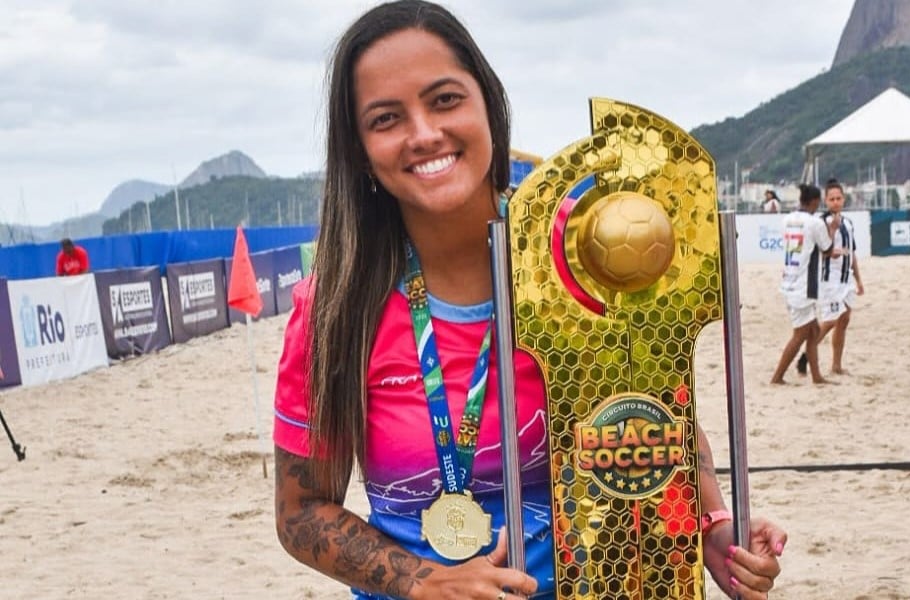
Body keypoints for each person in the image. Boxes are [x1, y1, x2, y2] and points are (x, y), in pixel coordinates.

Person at [272, 2, 787, 599]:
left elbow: (656, 414)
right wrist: (425, 581)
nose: (423, 134)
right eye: (386, 119)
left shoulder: (582, 254)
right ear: (360, 150)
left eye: (444, 100)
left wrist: (712, 528)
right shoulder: (338, 307)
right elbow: (301, 511)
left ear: (489, 104)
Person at [771, 183, 840, 385]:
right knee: (800, 334)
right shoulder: (815, 223)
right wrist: (833, 229)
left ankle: (817, 376)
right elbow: (827, 249)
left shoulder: (787, 219)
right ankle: (777, 376)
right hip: (804, 286)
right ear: (815, 201)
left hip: (789, 280)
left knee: (813, 332)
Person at [806, 180, 864, 376]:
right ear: (825, 200)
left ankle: (836, 365)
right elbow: (819, 251)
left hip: (846, 279)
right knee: (832, 319)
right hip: (829, 280)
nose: (836, 202)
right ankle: (806, 354)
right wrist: (832, 231)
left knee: (844, 320)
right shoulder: (821, 222)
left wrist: (858, 279)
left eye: (838, 198)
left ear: (844, 199)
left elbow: (852, 253)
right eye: (832, 199)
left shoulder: (848, 222)